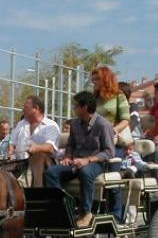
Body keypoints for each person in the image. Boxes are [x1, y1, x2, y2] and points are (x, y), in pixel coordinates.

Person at [45, 91, 114, 227]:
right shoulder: (75, 124)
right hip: (75, 162)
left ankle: (86, 212)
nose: (74, 108)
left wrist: (88, 160)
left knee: (85, 172)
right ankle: (62, 209)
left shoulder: (103, 125)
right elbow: (71, 144)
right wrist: (67, 156)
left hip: (96, 163)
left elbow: (109, 152)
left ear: (85, 107)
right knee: (51, 172)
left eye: (76, 106)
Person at [91, 67, 130, 219]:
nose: (93, 83)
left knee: (113, 180)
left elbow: (125, 120)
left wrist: (112, 131)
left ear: (105, 79)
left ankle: (117, 217)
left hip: (114, 143)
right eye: (92, 80)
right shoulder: (94, 99)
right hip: (95, 143)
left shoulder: (119, 96)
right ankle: (92, 213)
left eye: (96, 80)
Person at [8, 95, 60, 187]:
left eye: (26, 107)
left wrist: (36, 148)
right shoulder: (21, 124)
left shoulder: (50, 125)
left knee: (39, 156)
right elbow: (12, 143)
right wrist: (10, 153)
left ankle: (35, 192)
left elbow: (50, 147)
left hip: (43, 164)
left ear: (36, 108)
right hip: (19, 162)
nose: (23, 110)